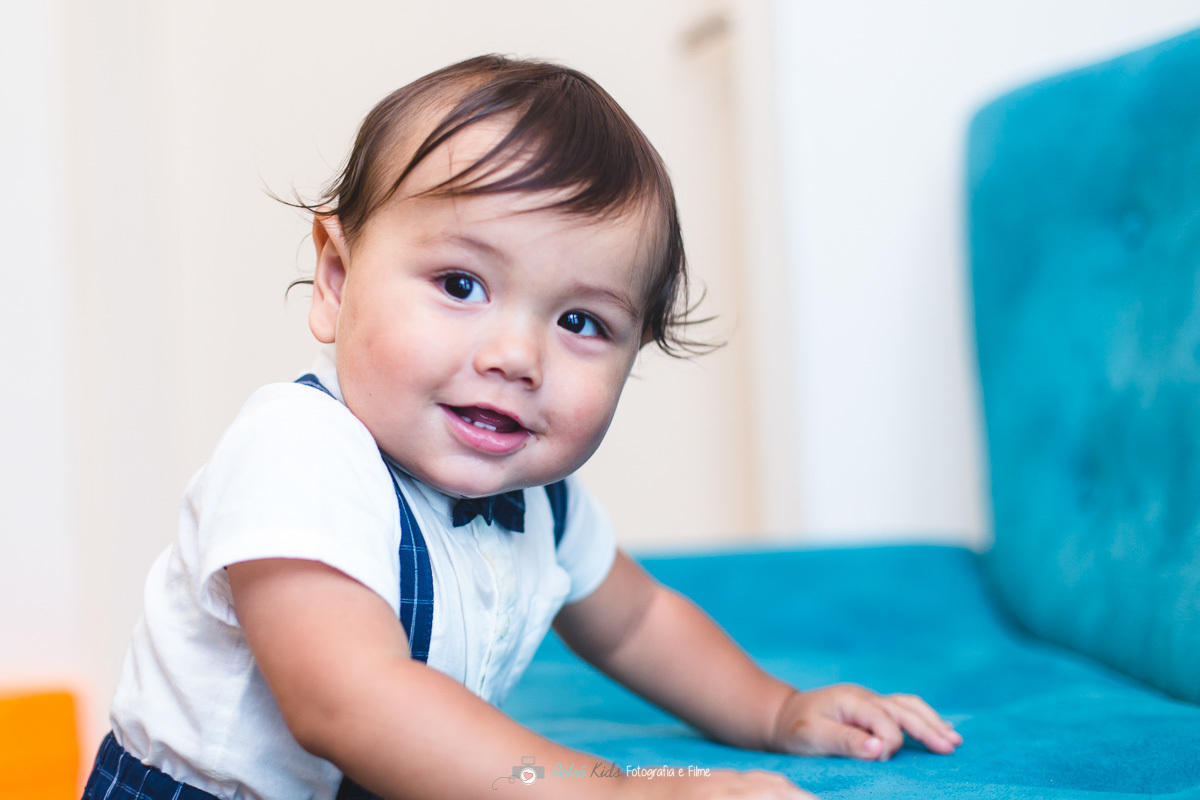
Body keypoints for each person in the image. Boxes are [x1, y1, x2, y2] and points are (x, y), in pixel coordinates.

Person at [82, 55, 962, 800]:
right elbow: (351, 703)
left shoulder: (544, 502)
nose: (516, 355)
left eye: (581, 323)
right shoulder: (298, 452)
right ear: (338, 280)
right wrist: (618, 788)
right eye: (461, 285)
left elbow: (637, 620)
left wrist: (777, 709)